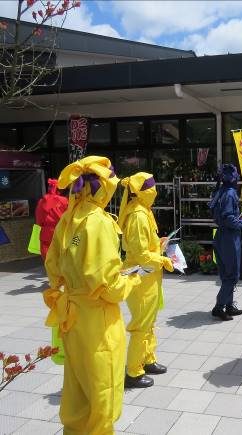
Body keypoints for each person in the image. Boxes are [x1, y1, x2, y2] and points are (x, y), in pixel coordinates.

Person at [43, 156, 142, 433]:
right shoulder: (98, 222)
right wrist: (131, 280)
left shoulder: (69, 218)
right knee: (102, 396)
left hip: (73, 318)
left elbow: (53, 267)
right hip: (98, 322)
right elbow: (108, 287)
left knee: (76, 396)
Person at [118, 172, 174, 388]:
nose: (155, 191)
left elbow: (143, 247)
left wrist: (158, 244)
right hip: (141, 277)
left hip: (148, 276)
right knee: (141, 324)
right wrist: (163, 260)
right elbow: (140, 254)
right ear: (143, 191)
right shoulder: (138, 215)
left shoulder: (143, 211)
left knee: (149, 322)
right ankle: (133, 371)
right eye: (152, 187)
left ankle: (148, 358)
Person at [210, 164, 242, 321]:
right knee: (232, 275)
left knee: (226, 273)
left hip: (221, 236)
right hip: (229, 237)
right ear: (234, 179)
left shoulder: (220, 191)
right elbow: (229, 218)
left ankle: (229, 305)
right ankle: (219, 307)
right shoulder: (230, 193)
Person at [35, 178, 68, 259]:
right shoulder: (64, 201)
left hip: (45, 232)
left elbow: (38, 219)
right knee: (60, 256)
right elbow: (68, 217)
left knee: (48, 256)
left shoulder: (41, 201)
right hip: (60, 231)